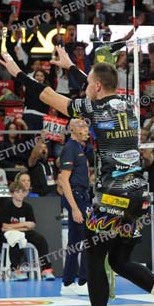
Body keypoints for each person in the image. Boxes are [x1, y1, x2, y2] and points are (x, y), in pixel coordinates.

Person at [0, 47, 154, 306]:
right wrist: (71, 67)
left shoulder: (93, 108)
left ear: (96, 87)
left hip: (112, 196)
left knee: (94, 257)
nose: (85, 87)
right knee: (120, 260)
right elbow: (99, 82)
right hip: (138, 195)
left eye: (88, 85)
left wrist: (18, 73)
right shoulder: (127, 105)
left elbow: (47, 96)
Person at [59, 118, 92, 296]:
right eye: (82, 126)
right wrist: (74, 208)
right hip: (77, 198)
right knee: (87, 239)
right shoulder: (70, 148)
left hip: (82, 196)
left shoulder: (79, 148)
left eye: (87, 127)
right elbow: (64, 180)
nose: (87, 130)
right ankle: (83, 281)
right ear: (72, 129)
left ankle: (68, 283)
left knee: (75, 241)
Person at [0, 181, 56, 281]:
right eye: (18, 192)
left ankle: (46, 270)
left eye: (22, 192)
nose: (21, 194)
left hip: (25, 232)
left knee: (41, 240)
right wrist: (24, 224)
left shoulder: (27, 207)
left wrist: (16, 227)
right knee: (15, 239)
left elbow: (32, 225)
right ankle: (15, 270)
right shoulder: (7, 206)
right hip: (10, 234)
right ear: (12, 194)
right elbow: (4, 226)